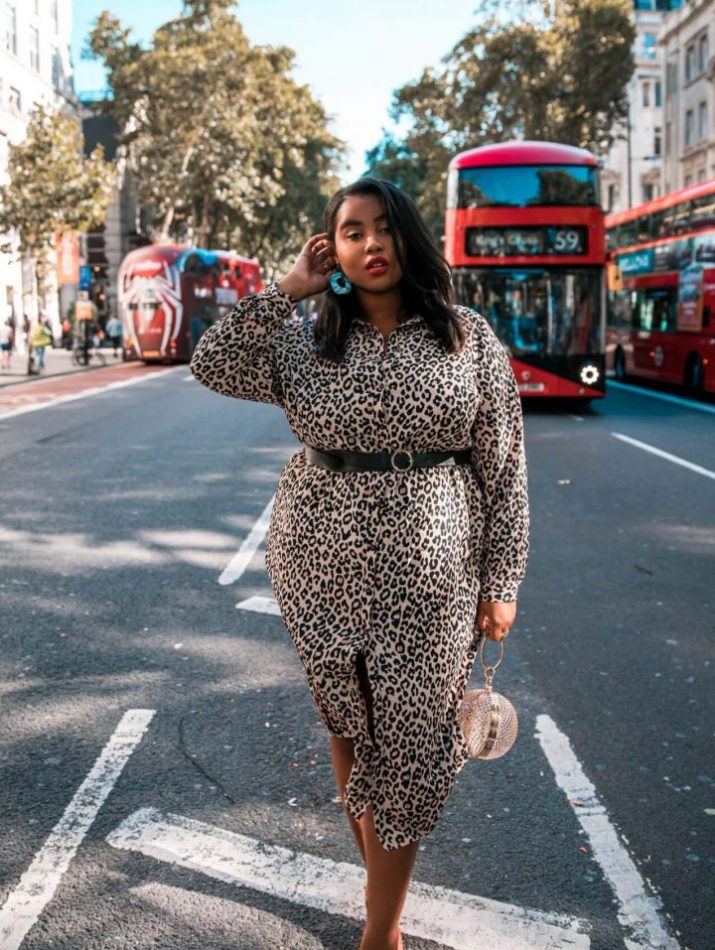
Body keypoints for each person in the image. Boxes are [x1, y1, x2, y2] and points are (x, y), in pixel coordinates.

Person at [190, 178, 529, 950]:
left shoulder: (466, 337)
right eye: (351, 232)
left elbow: (504, 467)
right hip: (318, 557)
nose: (371, 244)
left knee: (413, 745)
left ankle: (378, 932)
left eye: (383, 229)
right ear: (330, 249)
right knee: (351, 727)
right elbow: (210, 362)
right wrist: (287, 288)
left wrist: (501, 580)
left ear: (408, 238)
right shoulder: (305, 340)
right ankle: (387, 921)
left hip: (434, 565)